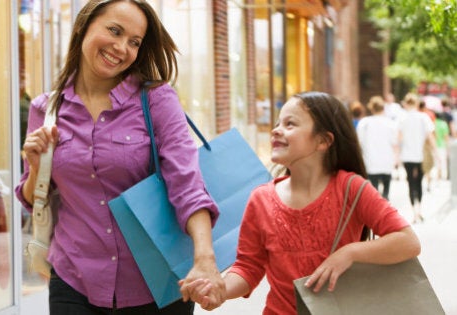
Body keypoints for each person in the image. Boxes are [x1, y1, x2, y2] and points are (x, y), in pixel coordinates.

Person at [14, 1, 224, 313]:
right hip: (75, 280)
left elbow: (187, 183)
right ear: (85, 26)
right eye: (114, 31)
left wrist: (204, 258)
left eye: (134, 42)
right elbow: (35, 197)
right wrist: (36, 168)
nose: (122, 48)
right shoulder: (46, 110)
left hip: (157, 284)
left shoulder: (156, 99)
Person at [180, 91, 421, 313]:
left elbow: (408, 242)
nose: (276, 130)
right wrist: (219, 290)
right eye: (277, 124)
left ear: (323, 141)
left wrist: (350, 252)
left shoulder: (351, 188)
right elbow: (248, 267)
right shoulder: (261, 198)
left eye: (290, 124)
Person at [399, 93, 435, 223]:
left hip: (407, 155)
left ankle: (414, 212)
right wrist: (435, 151)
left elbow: (399, 138)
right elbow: (430, 136)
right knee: (419, 182)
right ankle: (419, 210)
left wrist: (396, 157)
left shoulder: (402, 118)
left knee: (410, 183)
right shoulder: (423, 117)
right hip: (421, 155)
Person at [356, 95, 398, 199]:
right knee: (386, 192)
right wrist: (396, 159)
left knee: (373, 192)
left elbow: (358, 142)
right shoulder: (390, 123)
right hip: (387, 161)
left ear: (372, 108)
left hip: (370, 161)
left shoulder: (364, 123)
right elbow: (395, 144)